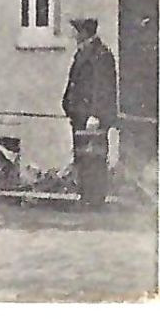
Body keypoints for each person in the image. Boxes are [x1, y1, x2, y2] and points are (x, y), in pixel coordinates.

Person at [62, 16, 118, 208]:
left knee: (95, 157)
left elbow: (103, 88)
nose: (74, 36)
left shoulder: (100, 55)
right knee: (83, 156)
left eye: (76, 32)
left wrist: (96, 114)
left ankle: (95, 200)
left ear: (85, 33)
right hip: (80, 115)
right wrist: (68, 105)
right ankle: (86, 196)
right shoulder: (82, 54)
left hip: (92, 117)